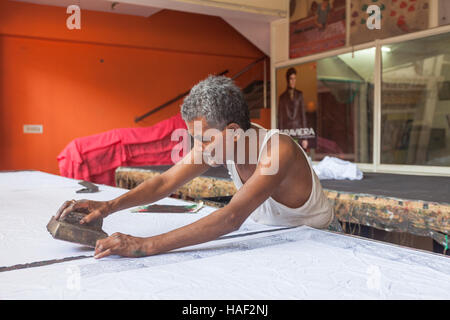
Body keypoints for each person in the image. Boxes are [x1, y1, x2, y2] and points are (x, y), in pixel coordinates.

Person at [56, 75, 336, 259]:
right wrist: (108, 206)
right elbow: (165, 183)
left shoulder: (278, 150)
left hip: (321, 243)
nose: (199, 146)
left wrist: (144, 245)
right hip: (274, 238)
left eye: (204, 138)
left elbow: (231, 218)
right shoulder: (221, 144)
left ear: (234, 130)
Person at [278, 67, 309, 150]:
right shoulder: (282, 97)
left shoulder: (300, 95)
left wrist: (305, 137)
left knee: (298, 157)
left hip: (298, 133)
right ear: (287, 80)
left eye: (295, 79)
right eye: (291, 79)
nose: (293, 81)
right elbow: (280, 119)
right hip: (287, 133)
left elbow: (303, 117)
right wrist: (280, 137)